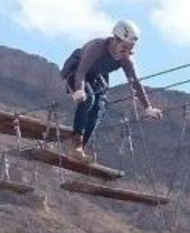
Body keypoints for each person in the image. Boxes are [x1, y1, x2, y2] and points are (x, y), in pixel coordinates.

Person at [59, 19, 163, 159]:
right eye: (124, 46)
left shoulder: (126, 59)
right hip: (76, 71)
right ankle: (76, 143)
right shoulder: (97, 47)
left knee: (99, 108)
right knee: (88, 99)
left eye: (130, 48)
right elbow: (81, 71)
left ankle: (80, 149)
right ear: (115, 39)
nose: (126, 51)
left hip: (97, 76)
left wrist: (148, 108)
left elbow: (135, 83)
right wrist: (79, 90)